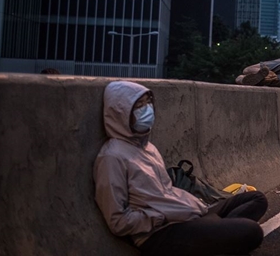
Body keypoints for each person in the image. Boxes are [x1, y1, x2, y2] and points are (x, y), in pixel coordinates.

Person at [93, 81, 267, 256]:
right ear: (121, 113)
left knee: (257, 198)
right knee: (252, 232)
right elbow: (118, 221)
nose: (146, 110)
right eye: (139, 106)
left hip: (187, 213)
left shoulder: (147, 147)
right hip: (162, 231)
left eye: (148, 103)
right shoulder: (112, 157)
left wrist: (189, 207)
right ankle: (218, 234)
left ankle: (216, 235)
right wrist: (161, 216)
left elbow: (167, 193)